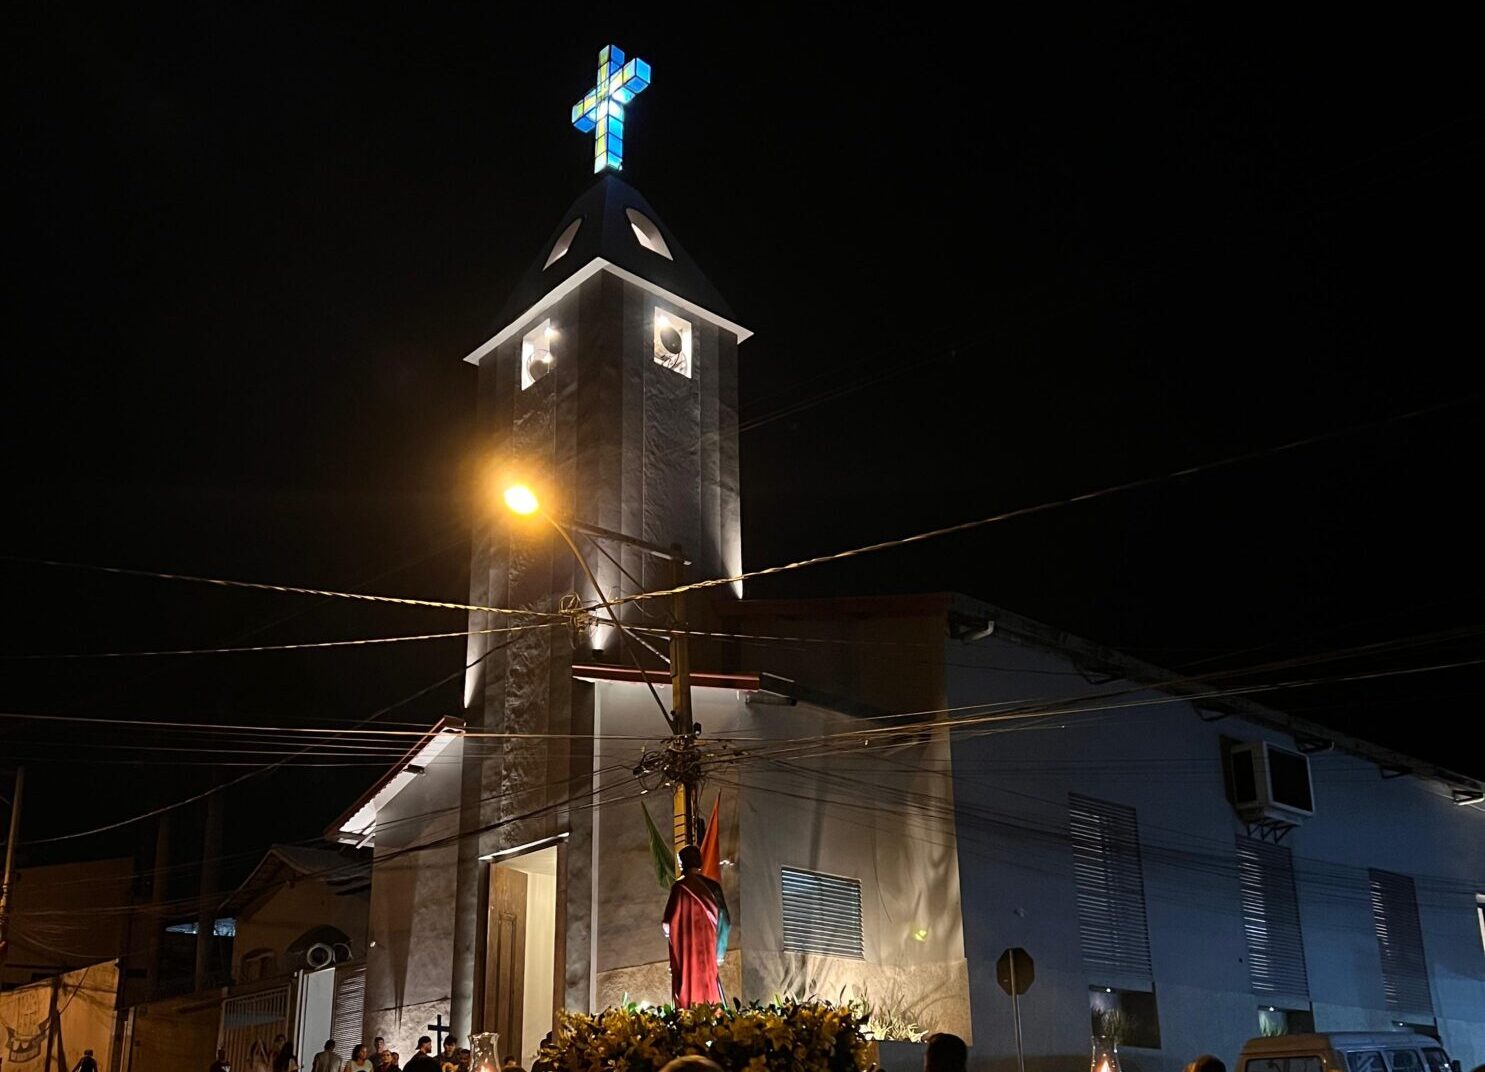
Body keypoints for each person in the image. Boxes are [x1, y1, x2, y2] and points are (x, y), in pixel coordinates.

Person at [662, 844, 730, 1006]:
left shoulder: (679, 887)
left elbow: (667, 923)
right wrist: (719, 953)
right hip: (708, 952)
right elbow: (724, 920)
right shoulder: (713, 887)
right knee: (709, 988)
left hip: (685, 953)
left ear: (682, 864)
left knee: (688, 986)